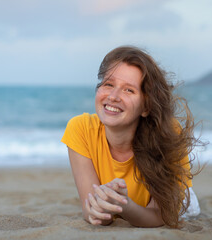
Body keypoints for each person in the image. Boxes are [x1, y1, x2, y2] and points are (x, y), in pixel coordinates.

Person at [61, 46, 202, 228]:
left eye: (129, 90)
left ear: (145, 107)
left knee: (188, 208)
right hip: (124, 203)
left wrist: (124, 206)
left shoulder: (169, 134)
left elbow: (160, 216)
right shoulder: (80, 129)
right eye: (108, 84)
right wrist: (101, 208)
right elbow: (95, 215)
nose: (113, 96)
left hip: (171, 203)